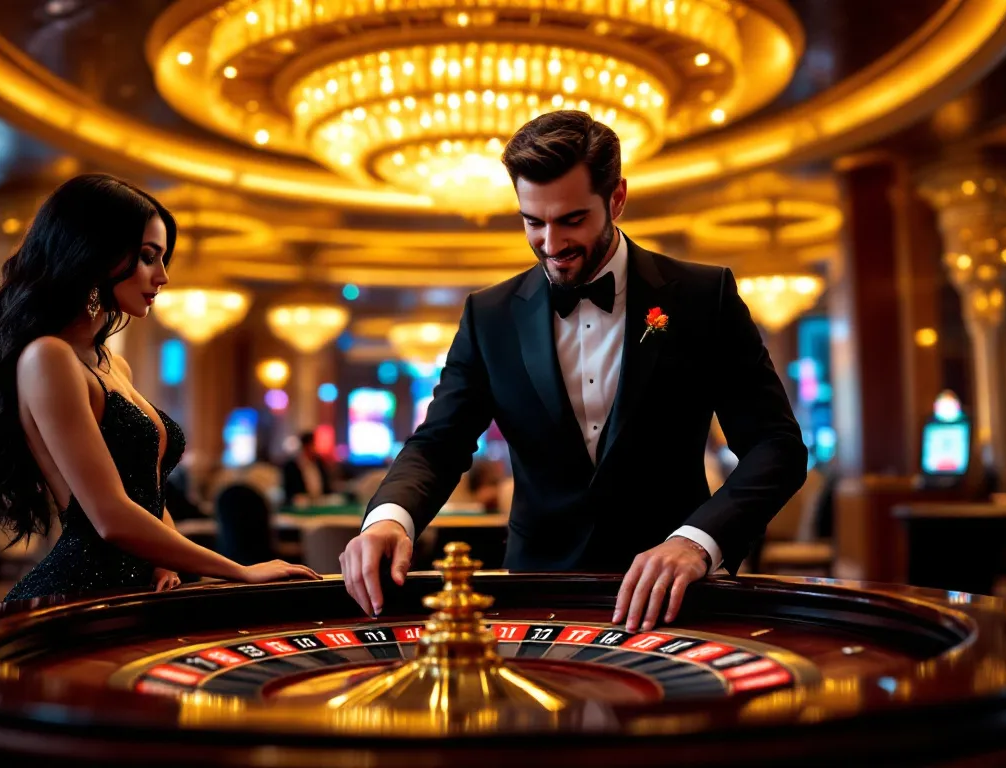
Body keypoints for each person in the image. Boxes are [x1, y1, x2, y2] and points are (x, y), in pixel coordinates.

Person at [340, 111, 807, 631]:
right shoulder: (489, 315)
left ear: (617, 199)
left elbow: (776, 447)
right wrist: (389, 518)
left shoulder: (703, 297)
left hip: (676, 593)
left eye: (572, 220)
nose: (551, 243)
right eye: (532, 221)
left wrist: (696, 542)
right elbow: (438, 443)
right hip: (536, 593)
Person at [0, 173, 317, 602]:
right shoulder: (48, 357)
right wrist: (237, 570)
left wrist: (167, 558)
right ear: (95, 254)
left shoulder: (114, 364)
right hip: (82, 596)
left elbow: (146, 496)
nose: (163, 276)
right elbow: (110, 516)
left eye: (163, 258)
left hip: (141, 589)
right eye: (149, 256)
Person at [281, 431, 335, 504]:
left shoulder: (319, 463)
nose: (316, 448)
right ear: (306, 446)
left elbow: (327, 488)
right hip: (301, 507)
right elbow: (289, 493)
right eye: (314, 445)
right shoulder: (291, 466)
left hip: (321, 503)